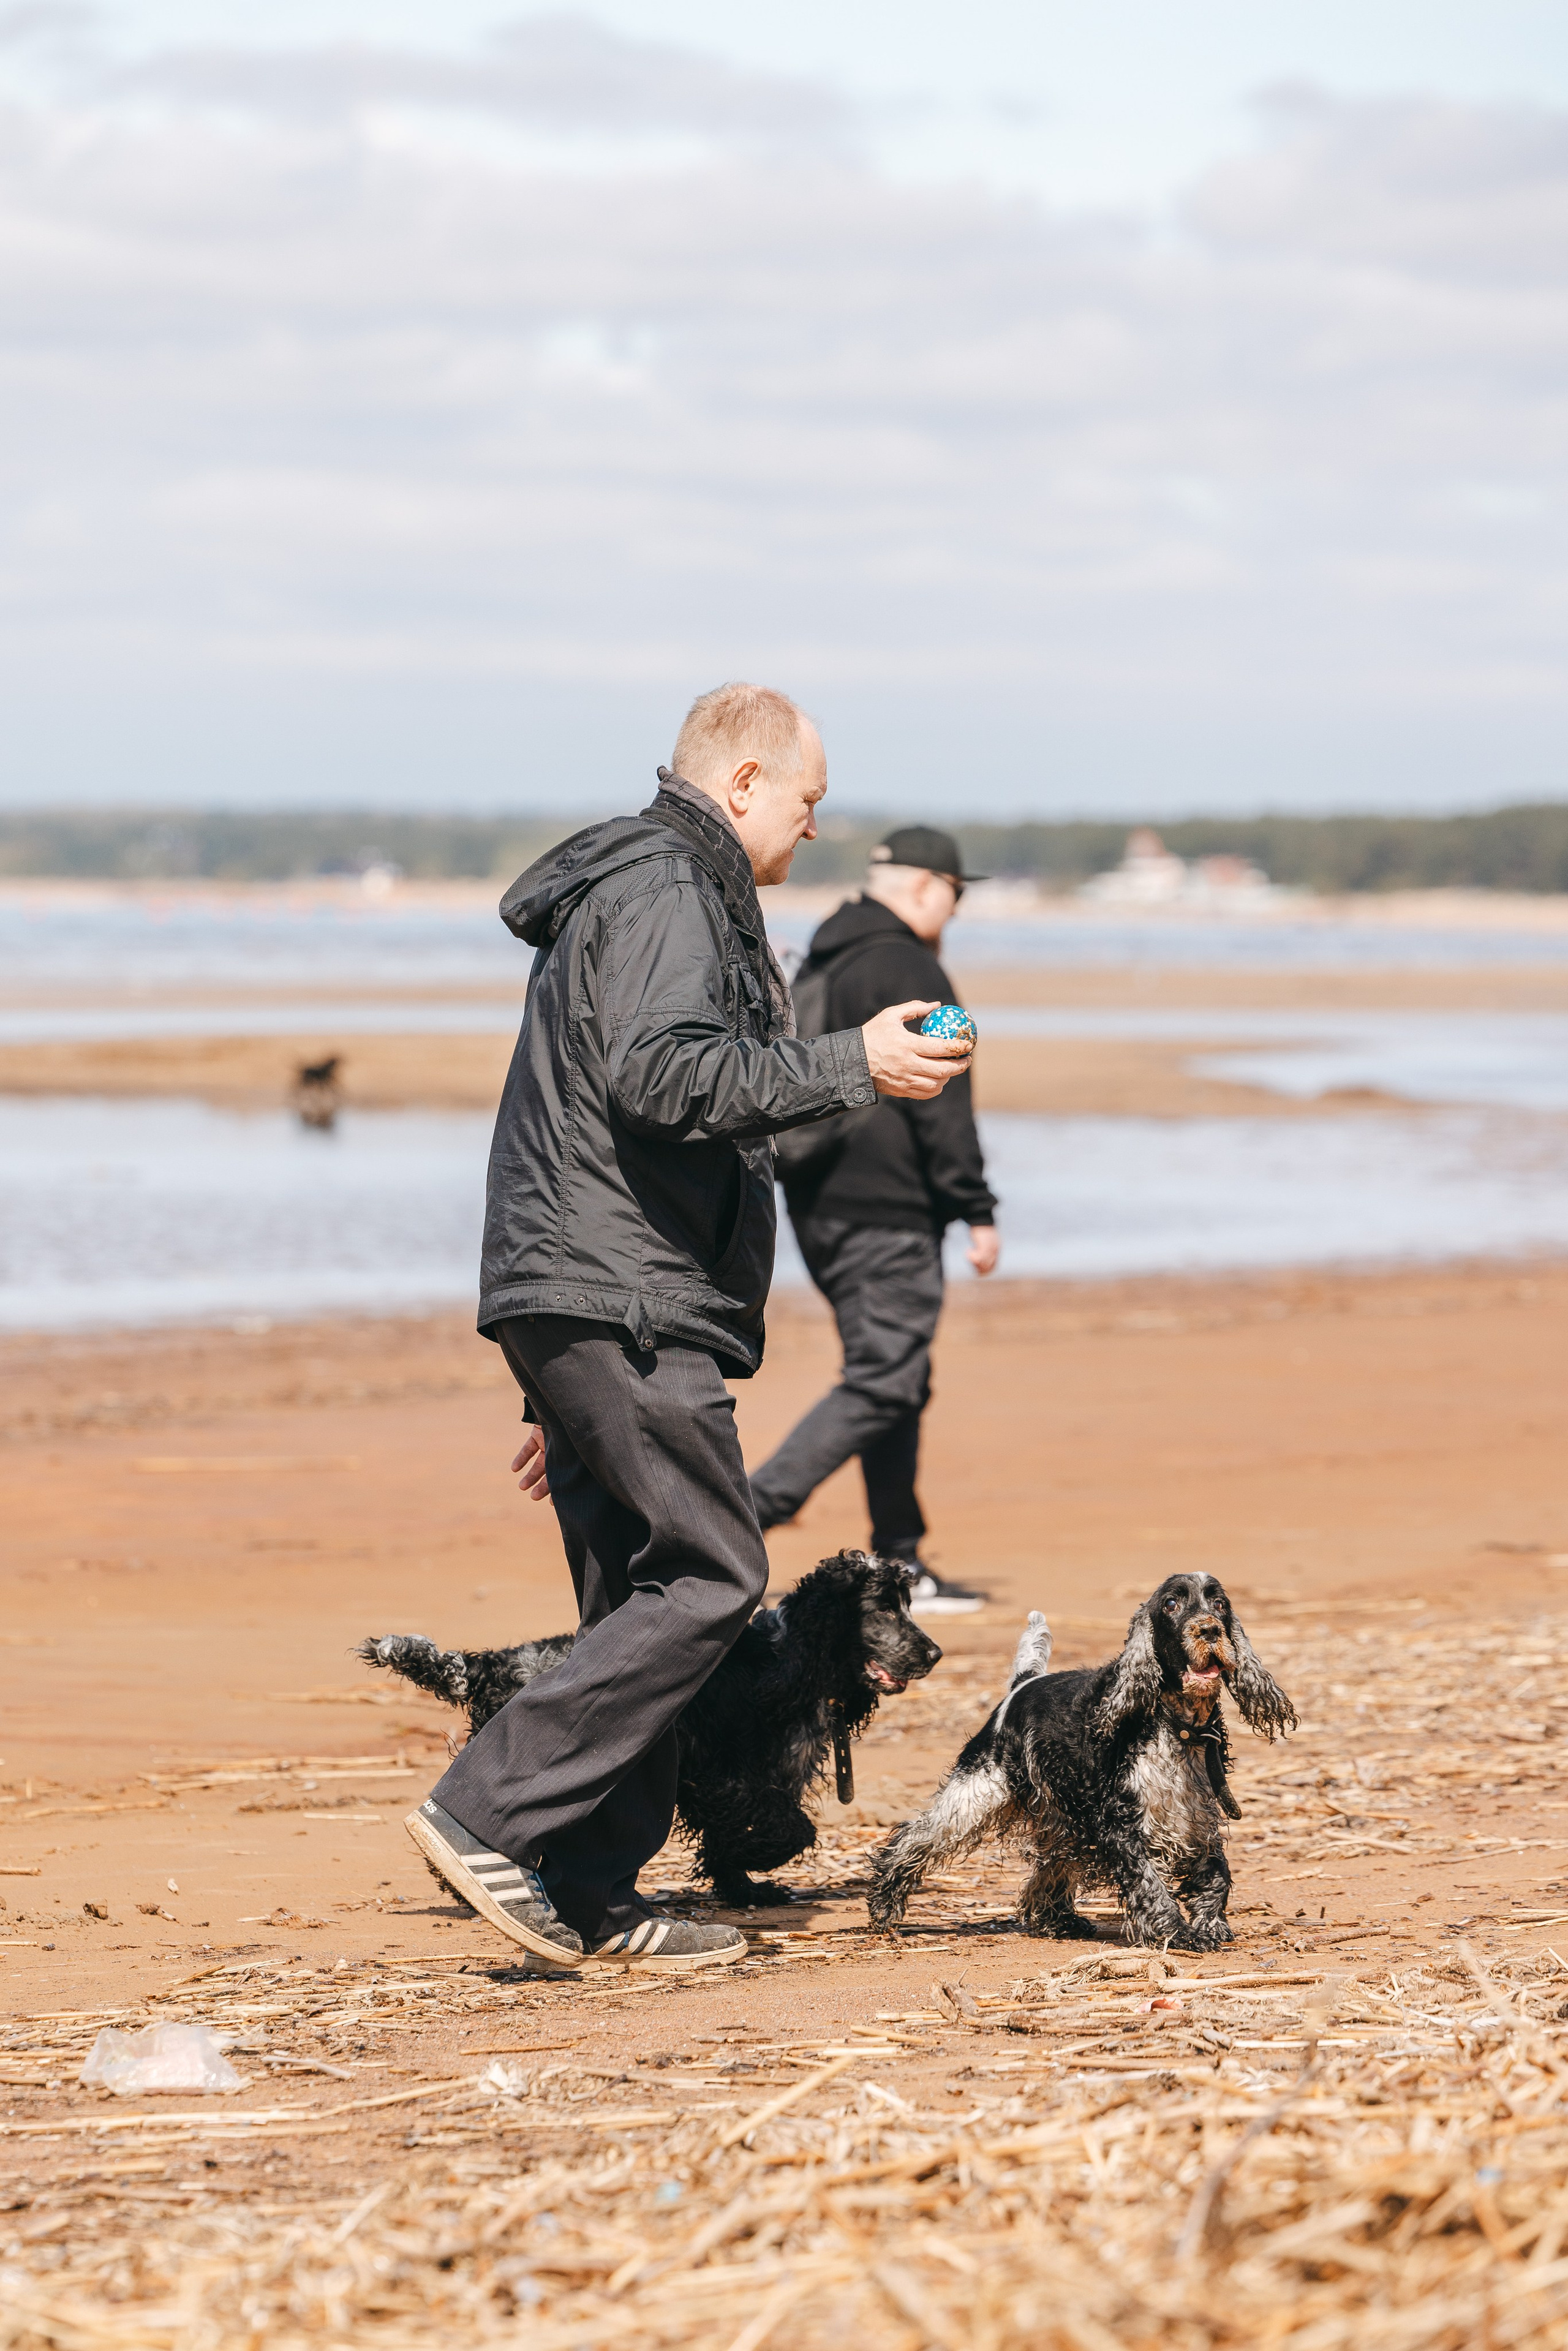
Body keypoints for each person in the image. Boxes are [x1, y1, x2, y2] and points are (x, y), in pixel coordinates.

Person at [405, 687, 973, 1972]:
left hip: (586, 1294)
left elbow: (644, 1101)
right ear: (744, 779)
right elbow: (663, 1077)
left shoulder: (666, 882)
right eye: (807, 802)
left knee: (632, 1595)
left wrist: (561, 1387)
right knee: (717, 1570)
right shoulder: (667, 884)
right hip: (621, 1291)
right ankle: (484, 1806)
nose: (814, 828)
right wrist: (851, 1064)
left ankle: (593, 1893)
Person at [748, 825, 999, 1615]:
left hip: (816, 1198)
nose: (954, 912)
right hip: (888, 1205)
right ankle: (748, 1511)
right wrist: (975, 1206)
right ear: (929, 887)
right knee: (885, 1376)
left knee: (897, 1377)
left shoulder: (825, 952)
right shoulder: (914, 968)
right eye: (956, 895)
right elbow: (945, 1097)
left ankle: (900, 1558)